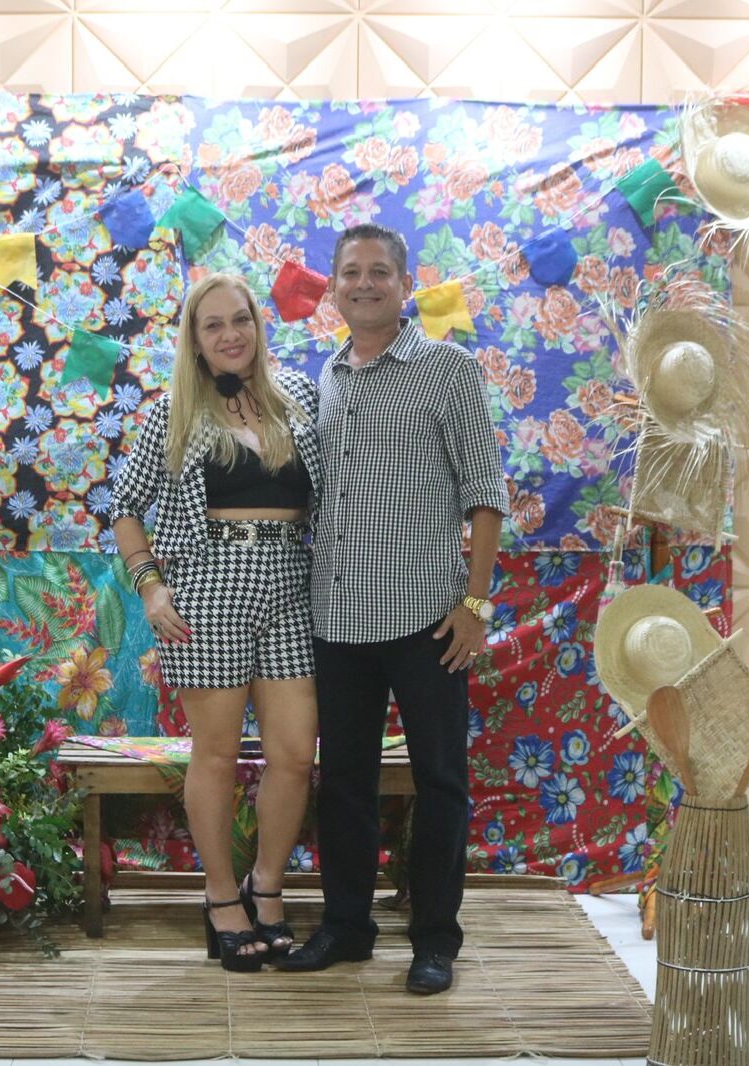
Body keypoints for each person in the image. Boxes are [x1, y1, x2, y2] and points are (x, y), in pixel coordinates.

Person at [277, 224, 508, 994]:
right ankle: (347, 926)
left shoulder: (448, 370)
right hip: (337, 618)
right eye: (351, 272)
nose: (364, 283)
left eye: (380, 271)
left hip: (428, 619)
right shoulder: (327, 375)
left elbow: (485, 494)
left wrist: (474, 603)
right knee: (345, 780)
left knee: (440, 780)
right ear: (335, 288)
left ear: (406, 285)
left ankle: (435, 939)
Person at [109, 273, 320, 972]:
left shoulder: (300, 397)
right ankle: (221, 897)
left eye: (241, 319)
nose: (231, 334)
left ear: (258, 325)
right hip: (210, 586)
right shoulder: (176, 411)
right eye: (213, 325)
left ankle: (268, 886)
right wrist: (150, 587)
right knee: (218, 754)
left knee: (294, 754)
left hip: (291, 582)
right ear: (195, 341)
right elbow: (124, 504)